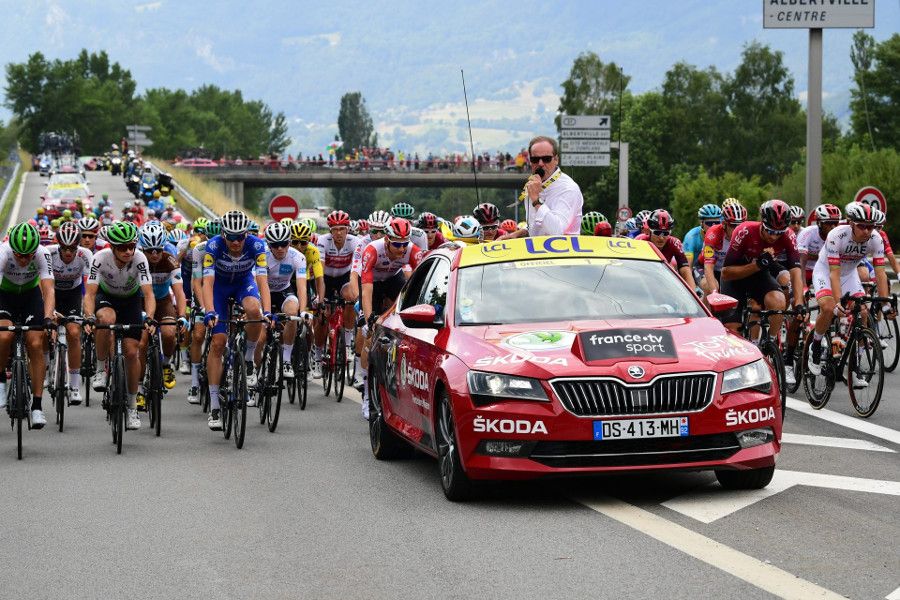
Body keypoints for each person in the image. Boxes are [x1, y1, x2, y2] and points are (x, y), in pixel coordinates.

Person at [202, 211, 271, 430]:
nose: (236, 242)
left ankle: (248, 360)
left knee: (254, 310)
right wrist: (210, 311)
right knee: (218, 343)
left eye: (240, 237)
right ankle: (214, 406)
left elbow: (262, 281)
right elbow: (207, 283)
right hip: (219, 289)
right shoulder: (213, 246)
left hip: (243, 283)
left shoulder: (257, 245)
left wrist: (267, 311)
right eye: (231, 237)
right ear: (223, 235)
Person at [84, 221, 155, 431]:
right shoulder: (100, 258)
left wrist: (149, 317)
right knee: (106, 319)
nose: (128, 251)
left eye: (132, 246)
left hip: (131, 301)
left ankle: (132, 407)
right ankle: (99, 369)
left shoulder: (140, 259)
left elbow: (149, 294)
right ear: (112, 248)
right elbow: (90, 294)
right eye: (123, 247)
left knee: (132, 353)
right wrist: (89, 316)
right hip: (107, 298)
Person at [808, 203, 890, 381]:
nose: (867, 231)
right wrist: (838, 302)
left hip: (849, 274)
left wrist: (885, 304)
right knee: (830, 308)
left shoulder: (876, 239)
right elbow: (834, 273)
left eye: (871, 226)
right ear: (851, 223)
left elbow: (881, 272)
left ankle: (854, 366)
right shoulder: (836, 235)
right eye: (862, 226)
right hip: (826, 271)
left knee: (862, 312)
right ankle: (815, 345)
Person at [358, 217, 423, 418]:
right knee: (370, 334)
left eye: (405, 244)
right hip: (373, 285)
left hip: (394, 280)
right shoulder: (372, 250)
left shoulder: (412, 251)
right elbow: (366, 290)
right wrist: (369, 318)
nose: (401, 249)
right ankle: (368, 395)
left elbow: (420, 281)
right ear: (387, 240)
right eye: (397, 244)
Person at [719, 200, 804, 340]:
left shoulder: (788, 236)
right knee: (733, 330)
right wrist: (757, 265)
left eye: (779, 233)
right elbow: (726, 273)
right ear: (762, 223)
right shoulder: (744, 231)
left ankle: (768, 343)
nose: (773, 237)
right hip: (735, 278)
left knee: (778, 302)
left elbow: (795, 271)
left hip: (759, 275)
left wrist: (799, 303)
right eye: (770, 231)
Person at [0, 223, 56, 428]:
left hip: (30, 296)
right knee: (4, 336)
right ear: (11, 249)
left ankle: (38, 407)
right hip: (4, 296)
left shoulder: (42, 253)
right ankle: (1, 382)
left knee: (35, 343)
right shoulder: (3, 252)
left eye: (28, 256)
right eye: (19, 256)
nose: (24, 260)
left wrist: (48, 318)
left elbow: (49, 290)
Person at [47, 222, 93, 404]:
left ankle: (74, 386)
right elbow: (41, 283)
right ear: (58, 245)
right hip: (51, 293)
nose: (68, 252)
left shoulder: (85, 255)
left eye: (72, 248)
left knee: (74, 333)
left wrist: (88, 313)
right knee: (44, 330)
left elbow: (89, 289)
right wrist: (48, 313)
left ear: (77, 246)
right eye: (64, 248)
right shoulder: (48, 253)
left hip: (73, 295)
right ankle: (46, 369)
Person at [501, 136, 583, 238]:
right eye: (535, 159)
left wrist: (536, 200)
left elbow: (556, 231)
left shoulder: (568, 188)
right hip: (537, 251)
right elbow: (537, 227)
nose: (540, 164)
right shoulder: (533, 184)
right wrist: (515, 234)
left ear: (556, 159)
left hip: (565, 251)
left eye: (546, 159)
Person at [256, 222, 307, 381]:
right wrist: (267, 313)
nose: (280, 248)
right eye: (275, 245)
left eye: (283, 244)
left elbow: (301, 287)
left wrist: (303, 311)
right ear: (269, 245)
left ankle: (285, 360)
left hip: (284, 291)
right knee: (261, 337)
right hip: (262, 292)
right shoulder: (262, 256)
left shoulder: (298, 257)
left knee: (293, 313)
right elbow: (261, 284)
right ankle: (253, 372)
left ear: (289, 243)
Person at [636, 210, 697, 291]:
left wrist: (693, 296)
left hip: (662, 278)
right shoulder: (641, 241)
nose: (661, 238)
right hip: (643, 277)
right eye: (657, 233)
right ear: (649, 231)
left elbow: (685, 270)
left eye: (665, 233)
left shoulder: (674, 243)